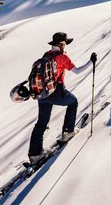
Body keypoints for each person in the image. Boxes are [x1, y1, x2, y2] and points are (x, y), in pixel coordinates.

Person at [28, 32, 97, 164]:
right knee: (73, 103)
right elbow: (77, 71)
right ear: (60, 44)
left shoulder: (46, 55)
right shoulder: (62, 56)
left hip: (42, 94)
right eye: (65, 43)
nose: (65, 46)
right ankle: (67, 132)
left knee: (41, 123)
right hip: (56, 91)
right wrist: (91, 61)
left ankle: (34, 154)